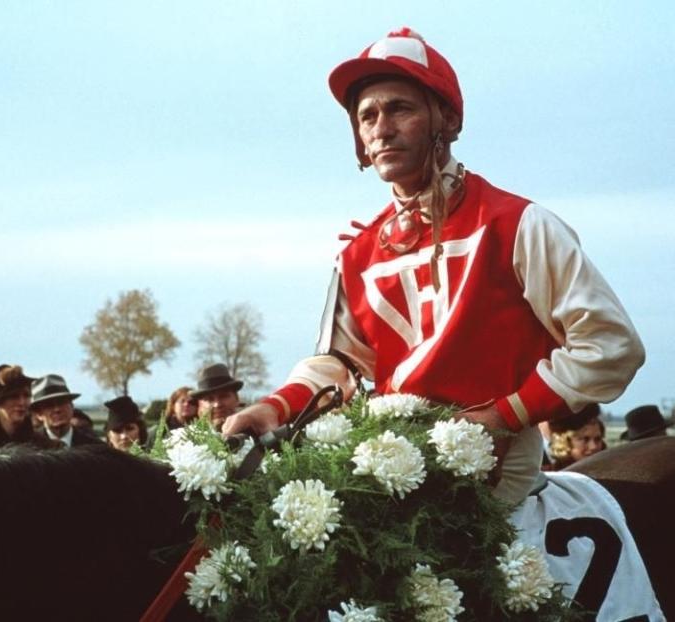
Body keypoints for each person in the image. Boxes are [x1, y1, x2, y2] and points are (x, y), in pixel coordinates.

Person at [223, 28, 645, 505]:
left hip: (501, 479)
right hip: (389, 467)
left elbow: (611, 345)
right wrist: (272, 406)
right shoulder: (356, 254)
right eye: (367, 116)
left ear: (445, 119)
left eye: (400, 108)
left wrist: (504, 415)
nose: (381, 128)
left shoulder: (519, 225)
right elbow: (339, 364)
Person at [29, 374, 102, 448]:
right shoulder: (29, 448)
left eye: (61, 402)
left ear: (72, 406)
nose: (57, 409)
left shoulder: (94, 446)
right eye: (49, 405)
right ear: (39, 414)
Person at [545, 404, 606, 471]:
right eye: (585, 439)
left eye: (597, 439)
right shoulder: (547, 477)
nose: (593, 447)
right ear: (564, 442)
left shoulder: (609, 472)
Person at [192, 364, 243, 431]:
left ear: (237, 399)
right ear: (200, 406)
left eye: (223, 396)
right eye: (210, 399)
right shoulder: (185, 439)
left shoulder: (257, 435)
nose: (217, 404)